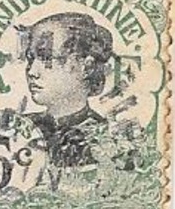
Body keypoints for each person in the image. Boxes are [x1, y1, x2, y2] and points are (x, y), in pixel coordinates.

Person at [23, 12, 114, 168]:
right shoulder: (22, 128)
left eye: (47, 59)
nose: (32, 72)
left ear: (87, 67)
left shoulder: (106, 140)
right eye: (31, 59)